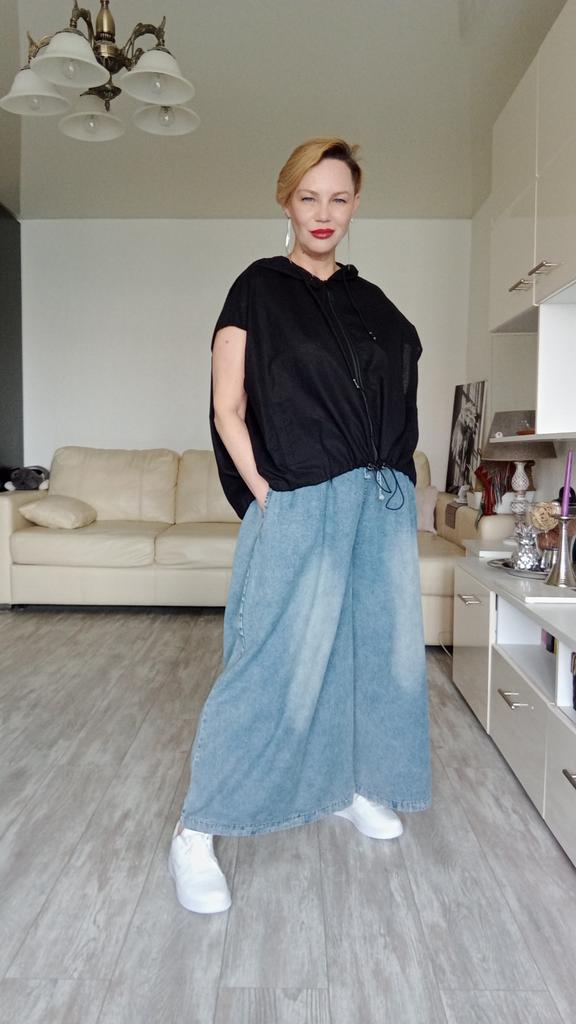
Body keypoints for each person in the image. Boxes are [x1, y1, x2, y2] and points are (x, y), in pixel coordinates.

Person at [168, 138, 432, 914]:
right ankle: (196, 829)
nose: (324, 213)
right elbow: (228, 406)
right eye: (309, 197)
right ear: (286, 201)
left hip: (378, 502)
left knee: (370, 655)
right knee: (268, 661)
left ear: (355, 205)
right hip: (300, 498)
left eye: (339, 198)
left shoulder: (371, 300)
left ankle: (346, 784)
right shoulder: (258, 288)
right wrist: (265, 490)